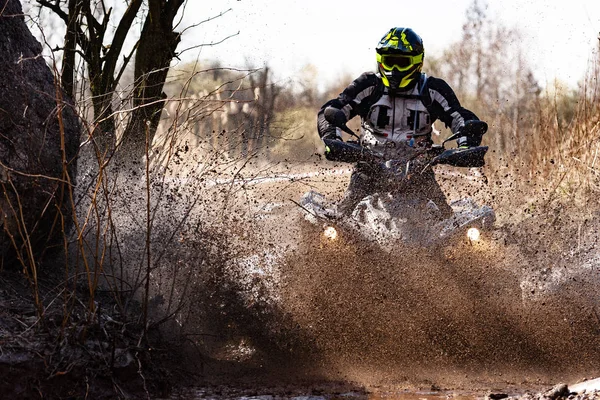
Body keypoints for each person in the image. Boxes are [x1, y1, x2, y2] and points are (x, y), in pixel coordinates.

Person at [317, 27, 488, 217]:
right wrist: (333, 138)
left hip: (419, 171)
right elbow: (332, 110)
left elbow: (459, 116)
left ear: (417, 61)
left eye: (401, 62)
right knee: (339, 221)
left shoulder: (432, 89)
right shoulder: (368, 85)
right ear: (381, 60)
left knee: (449, 222)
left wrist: (466, 144)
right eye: (390, 62)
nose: (395, 70)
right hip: (369, 168)